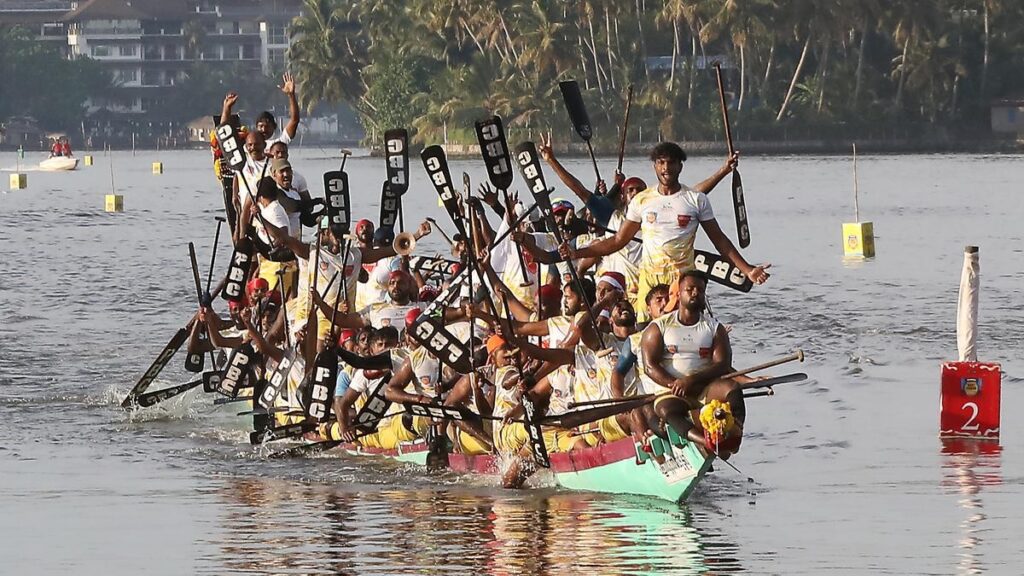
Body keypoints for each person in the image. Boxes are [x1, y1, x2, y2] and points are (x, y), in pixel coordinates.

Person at [562, 142, 770, 321]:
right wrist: (576, 253)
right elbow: (617, 241)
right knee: (644, 333)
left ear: (680, 166)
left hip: (683, 282)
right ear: (655, 166)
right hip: (649, 281)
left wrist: (747, 270)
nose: (666, 168)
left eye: (671, 163)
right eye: (661, 163)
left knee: (681, 335)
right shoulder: (642, 200)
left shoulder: (695, 199)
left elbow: (720, 241)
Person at [640, 271, 745, 458]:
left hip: (704, 388)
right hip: (672, 391)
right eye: (690, 289)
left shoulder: (714, 328)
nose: (696, 293)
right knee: (666, 411)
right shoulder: (658, 327)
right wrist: (676, 384)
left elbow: (722, 364)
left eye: (700, 290)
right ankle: (706, 442)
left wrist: (691, 381)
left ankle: (734, 433)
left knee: (732, 388)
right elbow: (650, 366)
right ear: (679, 294)